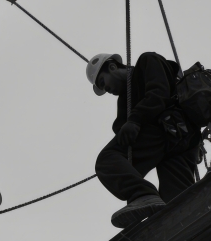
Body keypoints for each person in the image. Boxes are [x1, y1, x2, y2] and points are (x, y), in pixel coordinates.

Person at [86, 52, 201, 229]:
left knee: (108, 160)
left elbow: (159, 93)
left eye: (103, 82)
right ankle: (191, 231)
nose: (106, 89)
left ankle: (142, 194)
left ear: (112, 66)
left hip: (169, 128)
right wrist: (128, 123)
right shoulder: (125, 99)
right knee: (178, 206)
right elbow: (120, 127)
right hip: (179, 140)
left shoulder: (147, 61)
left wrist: (135, 120)